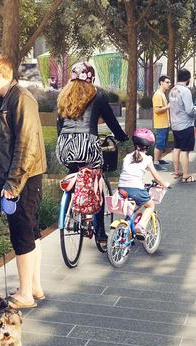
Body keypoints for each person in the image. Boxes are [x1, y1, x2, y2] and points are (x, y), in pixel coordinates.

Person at [0, 54, 47, 309]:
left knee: (22, 236)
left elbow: (26, 146)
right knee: (30, 232)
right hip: (20, 179)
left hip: (23, 181)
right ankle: (34, 288)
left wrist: (11, 185)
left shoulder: (20, 99)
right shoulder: (8, 99)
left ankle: (25, 294)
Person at [55, 61, 128, 245]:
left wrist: (65, 142)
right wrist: (122, 137)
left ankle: (72, 210)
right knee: (97, 183)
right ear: (91, 78)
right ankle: (100, 233)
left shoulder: (63, 96)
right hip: (88, 145)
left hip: (64, 145)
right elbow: (111, 121)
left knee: (73, 174)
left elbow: (59, 124)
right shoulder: (98, 95)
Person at [118, 128, 170, 236]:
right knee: (150, 205)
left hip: (121, 188)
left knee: (134, 205)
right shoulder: (147, 159)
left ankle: (129, 225)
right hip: (135, 189)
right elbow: (156, 177)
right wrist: (164, 184)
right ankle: (141, 225)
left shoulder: (127, 157)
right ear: (148, 145)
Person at [168, 68, 196, 183]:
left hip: (175, 124)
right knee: (185, 151)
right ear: (188, 79)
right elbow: (189, 110)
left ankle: (176, 172)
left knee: (177, 148)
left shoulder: (172, 90)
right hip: (185, 125)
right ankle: (186, 176)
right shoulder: (185, 91)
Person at [152, 75, 172, 171]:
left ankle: (159, 160)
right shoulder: (158, 95)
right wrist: (168, 106)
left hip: (165, 123)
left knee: (162, 143)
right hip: (160, 124)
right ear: (161, 83)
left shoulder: (162, 94)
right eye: (167, 82)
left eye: (169, 82)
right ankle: (156, 163)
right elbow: (156, 110)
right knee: (159, 144)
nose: (169, 84)